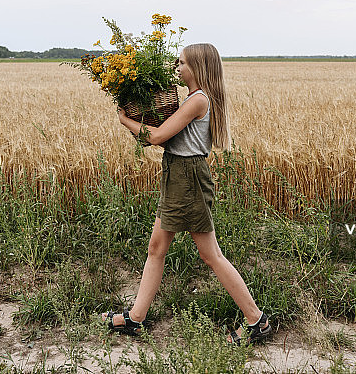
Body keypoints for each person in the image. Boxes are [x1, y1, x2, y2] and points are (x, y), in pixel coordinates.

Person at [101, 42, 272, 345]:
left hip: (188, 178)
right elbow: (167, 138)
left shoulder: (198, 100)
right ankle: (135, 318)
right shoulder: (192, 98)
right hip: (177, 173)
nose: (177, 68)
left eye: (181, 63)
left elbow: (157, 136)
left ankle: (256, 320)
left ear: (197, 67)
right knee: (156, 248)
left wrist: (125, 120)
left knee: (211, 255)